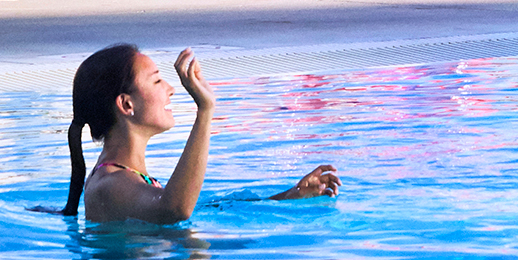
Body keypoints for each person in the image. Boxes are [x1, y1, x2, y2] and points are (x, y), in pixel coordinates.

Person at [60, 43, 341, 222]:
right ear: (126, 104)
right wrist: (205, 111)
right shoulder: (109, 185)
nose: (170, 88)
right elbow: (175, 210)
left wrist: (289, 196)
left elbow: (196, 207)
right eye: (157, 80)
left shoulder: (127, 179)